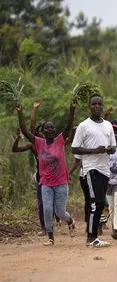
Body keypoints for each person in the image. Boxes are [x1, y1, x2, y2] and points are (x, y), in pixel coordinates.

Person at [16, 100, 77, 245]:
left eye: (52, 128)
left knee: (60, 212)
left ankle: (70, 220)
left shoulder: (60, 141)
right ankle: (50, 237)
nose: (49, 130)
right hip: (46, 183)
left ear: (55, 131)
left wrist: (72, 109)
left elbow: (68, 126)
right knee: (47, 209)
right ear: (43, 132)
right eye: (46, 128)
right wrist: (19, 112)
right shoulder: (38, 142)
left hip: (61, 182)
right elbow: (25, 130)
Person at [71, 93, 117, 248]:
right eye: (94, 104)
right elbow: (74, 148)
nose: (97, 106)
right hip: (91, 168)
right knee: (95, 202)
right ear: (89, 106)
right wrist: (94, 150)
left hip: (105, 169)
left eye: (99, 104)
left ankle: (94, 236)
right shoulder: (84, 126)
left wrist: (110, 149)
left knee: (100, 204)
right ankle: (91, 237)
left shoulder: (108, 125)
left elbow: (113, 146)